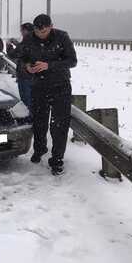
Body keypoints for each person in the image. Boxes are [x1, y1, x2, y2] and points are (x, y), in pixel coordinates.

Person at [14, 14, 77, 175]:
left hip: (60, 86)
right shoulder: (29, 39)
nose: (41, 34)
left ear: (51, 27)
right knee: (39, 121)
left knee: (59, 125)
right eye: (38, 31)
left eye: (44, 31)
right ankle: (39, 149)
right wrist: (27, 66)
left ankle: (57, 159)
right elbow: (19, 58)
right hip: (38, 86)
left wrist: (49, 65)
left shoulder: (62, 37)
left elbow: (72, 61)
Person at [6, 23, 35, 110]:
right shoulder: (34, 40)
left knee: (26, 99)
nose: (21, 32)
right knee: (31, 98)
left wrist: (9, 46)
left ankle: (30, 117)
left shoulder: (27, 41)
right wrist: (17, 43)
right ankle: (32, 116)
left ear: (26, 31)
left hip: (25, 74)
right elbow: (24, 50)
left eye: (22, 30)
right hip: (32, 74)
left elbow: (13, 54)